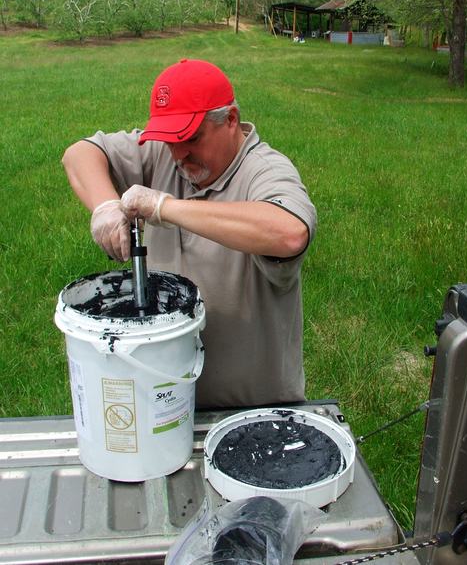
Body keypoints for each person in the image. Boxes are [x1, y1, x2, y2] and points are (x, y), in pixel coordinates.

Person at [62, 59, 317, 408]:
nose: (178, 154)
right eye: (168, 140)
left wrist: (164, 208)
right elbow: (79, 154)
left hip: (252, 410)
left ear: (230, 120)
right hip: (163, 397)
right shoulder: (166, 154)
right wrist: (105, 206)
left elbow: (289, 233)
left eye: (191, 138)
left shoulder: (264, 171)